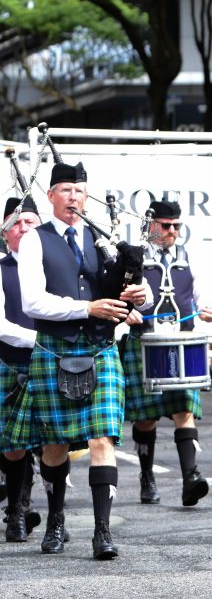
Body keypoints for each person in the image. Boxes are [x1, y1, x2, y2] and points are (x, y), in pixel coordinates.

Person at [3, 162, 150, 559]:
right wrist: (88, 308)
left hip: (101, 351)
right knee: (54, 445)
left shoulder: (103, 238)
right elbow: (34, 301)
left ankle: (102, 532)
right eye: (65, 190)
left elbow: (141, 289)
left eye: (79, 190)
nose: (73, 197)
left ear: (87, 196)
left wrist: (139, 295)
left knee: (102, 438)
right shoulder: (36, 240)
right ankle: (55, 520)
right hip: (54, 350)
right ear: (51, 196)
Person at [121, 199, 212, 507]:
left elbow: (204, 293)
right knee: (147, 417)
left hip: (181, 340)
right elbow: (117, 294)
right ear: (152, 225)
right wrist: (126, 312)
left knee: (184, 410)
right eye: (166, 226)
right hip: (145, 340)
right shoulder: (133, 256)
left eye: (177, 226)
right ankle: (147, 476)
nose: (172, 231)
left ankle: (191, 477)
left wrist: (207, 310)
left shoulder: (191, 256)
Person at [0, 195, 42, 543]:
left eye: (30, 222)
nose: (24, 228)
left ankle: (53, 516)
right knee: (14, 445)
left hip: (50, 363)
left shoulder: (54, 265)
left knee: (57, 442)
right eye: (16, 223)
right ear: (5, 232)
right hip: (11, 363)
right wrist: (42, 340)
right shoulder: (0, 268)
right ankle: (16, 512)